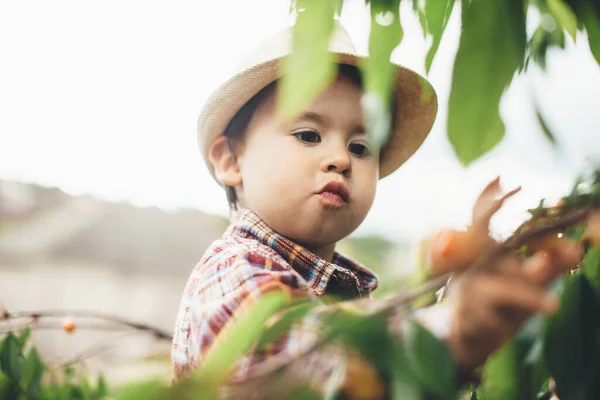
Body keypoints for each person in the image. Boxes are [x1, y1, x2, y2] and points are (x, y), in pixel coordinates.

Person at [171, 23, 581, 398]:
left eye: (360, 147)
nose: (340, 159)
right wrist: (449, 330)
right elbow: (309, 369)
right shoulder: (232, 271)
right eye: (309, 135)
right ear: (230, 160)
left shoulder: (343, 293)